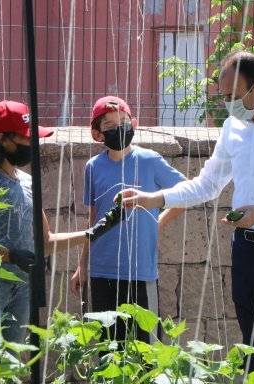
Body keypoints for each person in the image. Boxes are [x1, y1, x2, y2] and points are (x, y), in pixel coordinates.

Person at [119, 51, 254, 384]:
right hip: (247, 250)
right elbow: (207, 184)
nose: (226, 105)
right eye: (222, 97)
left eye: (232, 97)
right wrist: (155, 199)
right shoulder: (234, 126)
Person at [0, 100, 92, 343]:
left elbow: (45, 241)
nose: (33, 144)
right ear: (2, 139)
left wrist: (91, 233)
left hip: (22, 287)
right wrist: (9, 254)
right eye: (25, 138)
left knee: (10, 362)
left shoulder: (26, 181)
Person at [70, 96, 185, 343]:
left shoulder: (150, 161)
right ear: (97, 134)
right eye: (110, 126)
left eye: (123, 122)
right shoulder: (93, 167)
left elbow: (184, 193)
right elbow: (93, 220)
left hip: (140, 271)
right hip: (102, 271)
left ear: (134, 123)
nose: (118, 129)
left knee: (147, 350)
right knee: (108, 349)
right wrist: (82, 265)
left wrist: (158, 222)